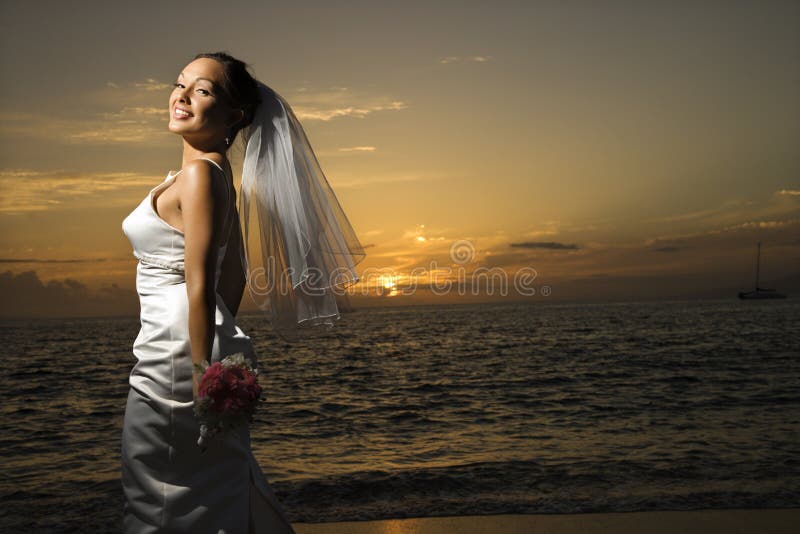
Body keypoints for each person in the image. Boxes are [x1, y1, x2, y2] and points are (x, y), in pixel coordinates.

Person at [120, 51, 365, 533]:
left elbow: (202, 284)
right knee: (195, 484)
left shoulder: (199, 176)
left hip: (173, 349)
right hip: (184, 338)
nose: (183, 95)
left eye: (204, 90)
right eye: (180, 83)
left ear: (234, 116)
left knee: (160, 494)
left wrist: (199, 374)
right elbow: (235, 278)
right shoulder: (211, 176)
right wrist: (217, 346)